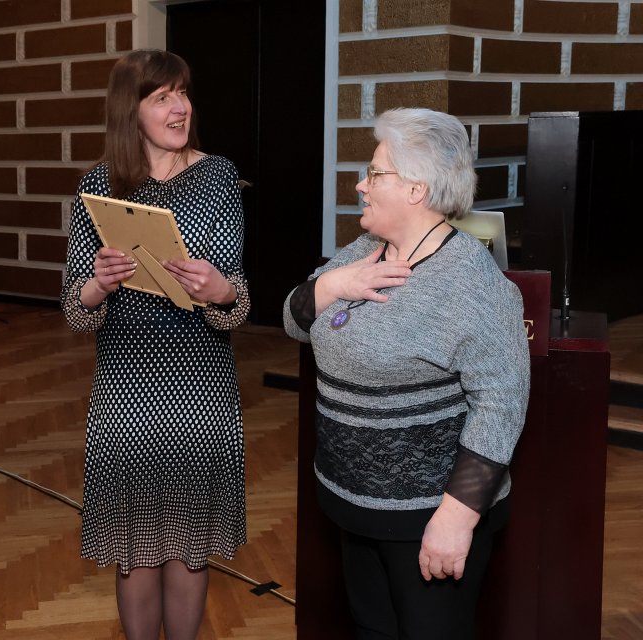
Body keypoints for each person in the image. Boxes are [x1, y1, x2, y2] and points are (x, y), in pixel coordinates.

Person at [282, 108, 530, 639]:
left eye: (374, 173)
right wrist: (333, 285)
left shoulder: (472, 283)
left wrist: (457, 519)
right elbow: (292, 320)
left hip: (426, 520)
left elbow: (501, 406)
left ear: (416, 189)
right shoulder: (360, 251)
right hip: (355, 507)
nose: (360, 184)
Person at [61, 49, 250, 640]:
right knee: (135, 548)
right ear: (131, 109)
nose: (181, 107)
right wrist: (99, 282)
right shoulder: (99, 186)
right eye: (162, 96)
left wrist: (221, 289)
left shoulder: (217, 176)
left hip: (200, 385)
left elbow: (237, 305)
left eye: (183, 93)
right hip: (126, 388)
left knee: (192, 546)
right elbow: (75, 310)